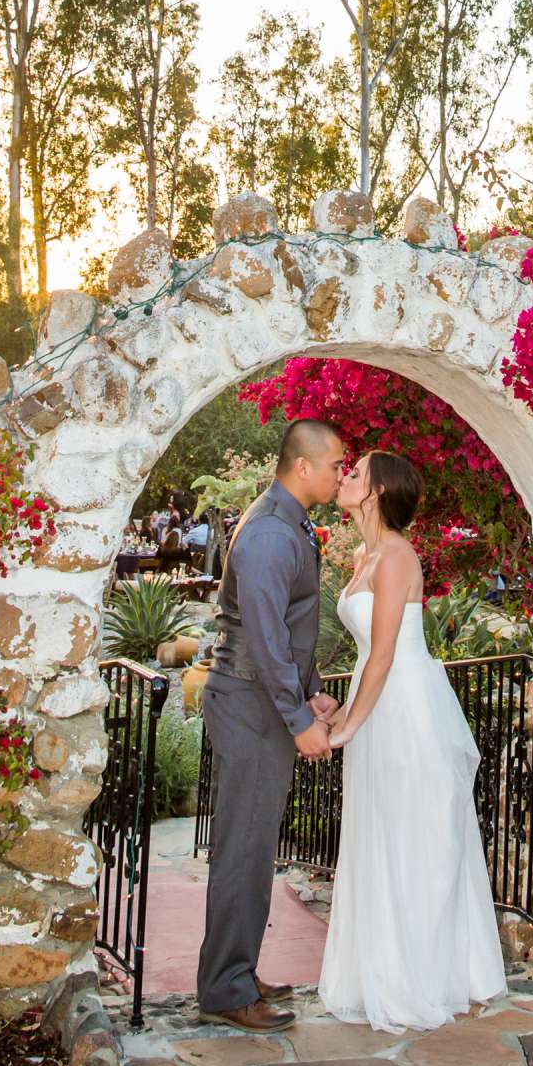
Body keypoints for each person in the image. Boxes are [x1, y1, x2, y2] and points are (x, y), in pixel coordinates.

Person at [318, 449, 507, 1032]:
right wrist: (343, 709)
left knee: (418, 836)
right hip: (381, 702)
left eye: (356, 473)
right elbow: (366, 660)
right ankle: (379, 968)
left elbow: (384, 653)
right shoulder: (361, 555)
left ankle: (427, 976)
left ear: (376, 492)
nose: (345, 476)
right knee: (380, 832)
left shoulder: (398, 556)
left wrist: (349, 725)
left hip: (408, 710)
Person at [195, 420, 348, 1032]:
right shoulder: (266, 533)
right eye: (337, 463)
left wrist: (307, 693)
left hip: (264, 698)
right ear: (304, 467)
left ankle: (234, 971)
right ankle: (228, 990)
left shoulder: (288, 523)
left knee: (254, 847)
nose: (342, 473)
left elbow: (283, 629)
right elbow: (262, 639)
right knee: (244, 847)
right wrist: (295, 718)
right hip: (250, 702)